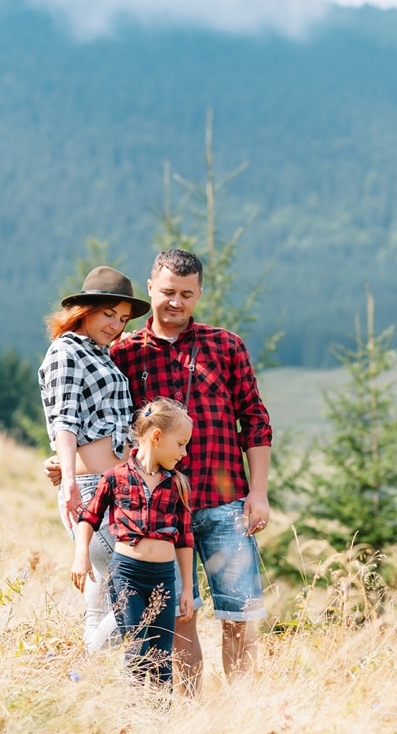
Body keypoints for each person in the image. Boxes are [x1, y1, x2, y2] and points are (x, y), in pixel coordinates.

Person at [47, 248, 272, 692]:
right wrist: (68, 460)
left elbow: (256, 419)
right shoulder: (123, 353)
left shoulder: (225, 346)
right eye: (168, 291)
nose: (176, 302)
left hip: (225, 501)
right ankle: (189, 712)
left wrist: (258, 492)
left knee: (240, 611)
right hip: (161, 507)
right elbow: (98, 416)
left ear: (199, 294)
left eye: (187, 294)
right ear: (151, 289)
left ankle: (245, 709)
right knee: (178, 614)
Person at [38, 265, 151, 652]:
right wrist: (68, 479)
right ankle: (81, 669)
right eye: (108, 314)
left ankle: (86, 692)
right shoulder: (65, 351)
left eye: (122, 319)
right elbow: (64, 420)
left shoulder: (100, 354)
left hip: (117, 486)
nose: (116, 325)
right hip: (90, 488)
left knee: (102, 597)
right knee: (142, 592)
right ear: (85, 309)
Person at [71, 397, 195, 685]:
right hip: (127, 574)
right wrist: (81, 556)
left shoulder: (177, 483)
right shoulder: (115, 477)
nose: (184, 452)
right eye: (180, 444)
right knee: (137, 647)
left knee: (162, 653)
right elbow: (89, 518)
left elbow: (185, 537)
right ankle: (133, 712)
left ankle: (161, 716)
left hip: (164, 578)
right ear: (157, 436)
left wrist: (187, 587)